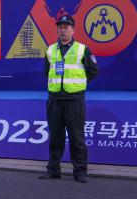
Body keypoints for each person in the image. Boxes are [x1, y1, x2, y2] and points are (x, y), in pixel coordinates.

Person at [39, 12, 99, 183]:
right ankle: (53, 170)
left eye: (66, 27)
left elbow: (93, 70)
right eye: (60, 27)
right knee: (55, 137)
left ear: (73, 30)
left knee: (76, 137)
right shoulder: (50, 50)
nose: (63, 30)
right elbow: (47, 72)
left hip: (74, 100)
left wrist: (79, 85)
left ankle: (80, 172)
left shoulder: (82, 49)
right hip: (55, 99)